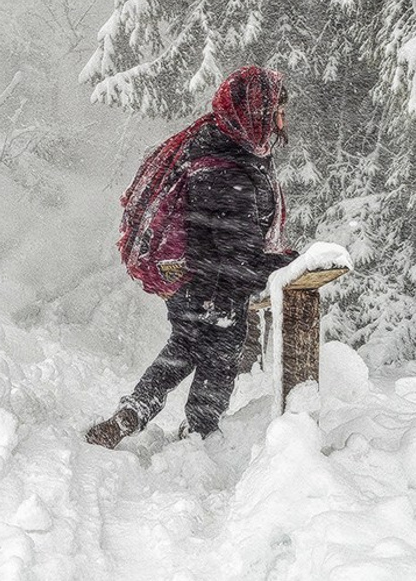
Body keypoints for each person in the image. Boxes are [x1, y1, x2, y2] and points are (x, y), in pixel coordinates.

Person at [86, 66, 297, 448]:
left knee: (186, 347)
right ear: (256, 112)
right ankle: (198, 438)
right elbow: (239, 251)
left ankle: (134, 413)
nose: (281, 120)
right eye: (276, 111)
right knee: (219, 354)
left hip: (196, 280)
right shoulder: (224, 164)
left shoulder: (223, 144)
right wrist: (293, 265)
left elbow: (232, 240)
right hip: (211, 284)